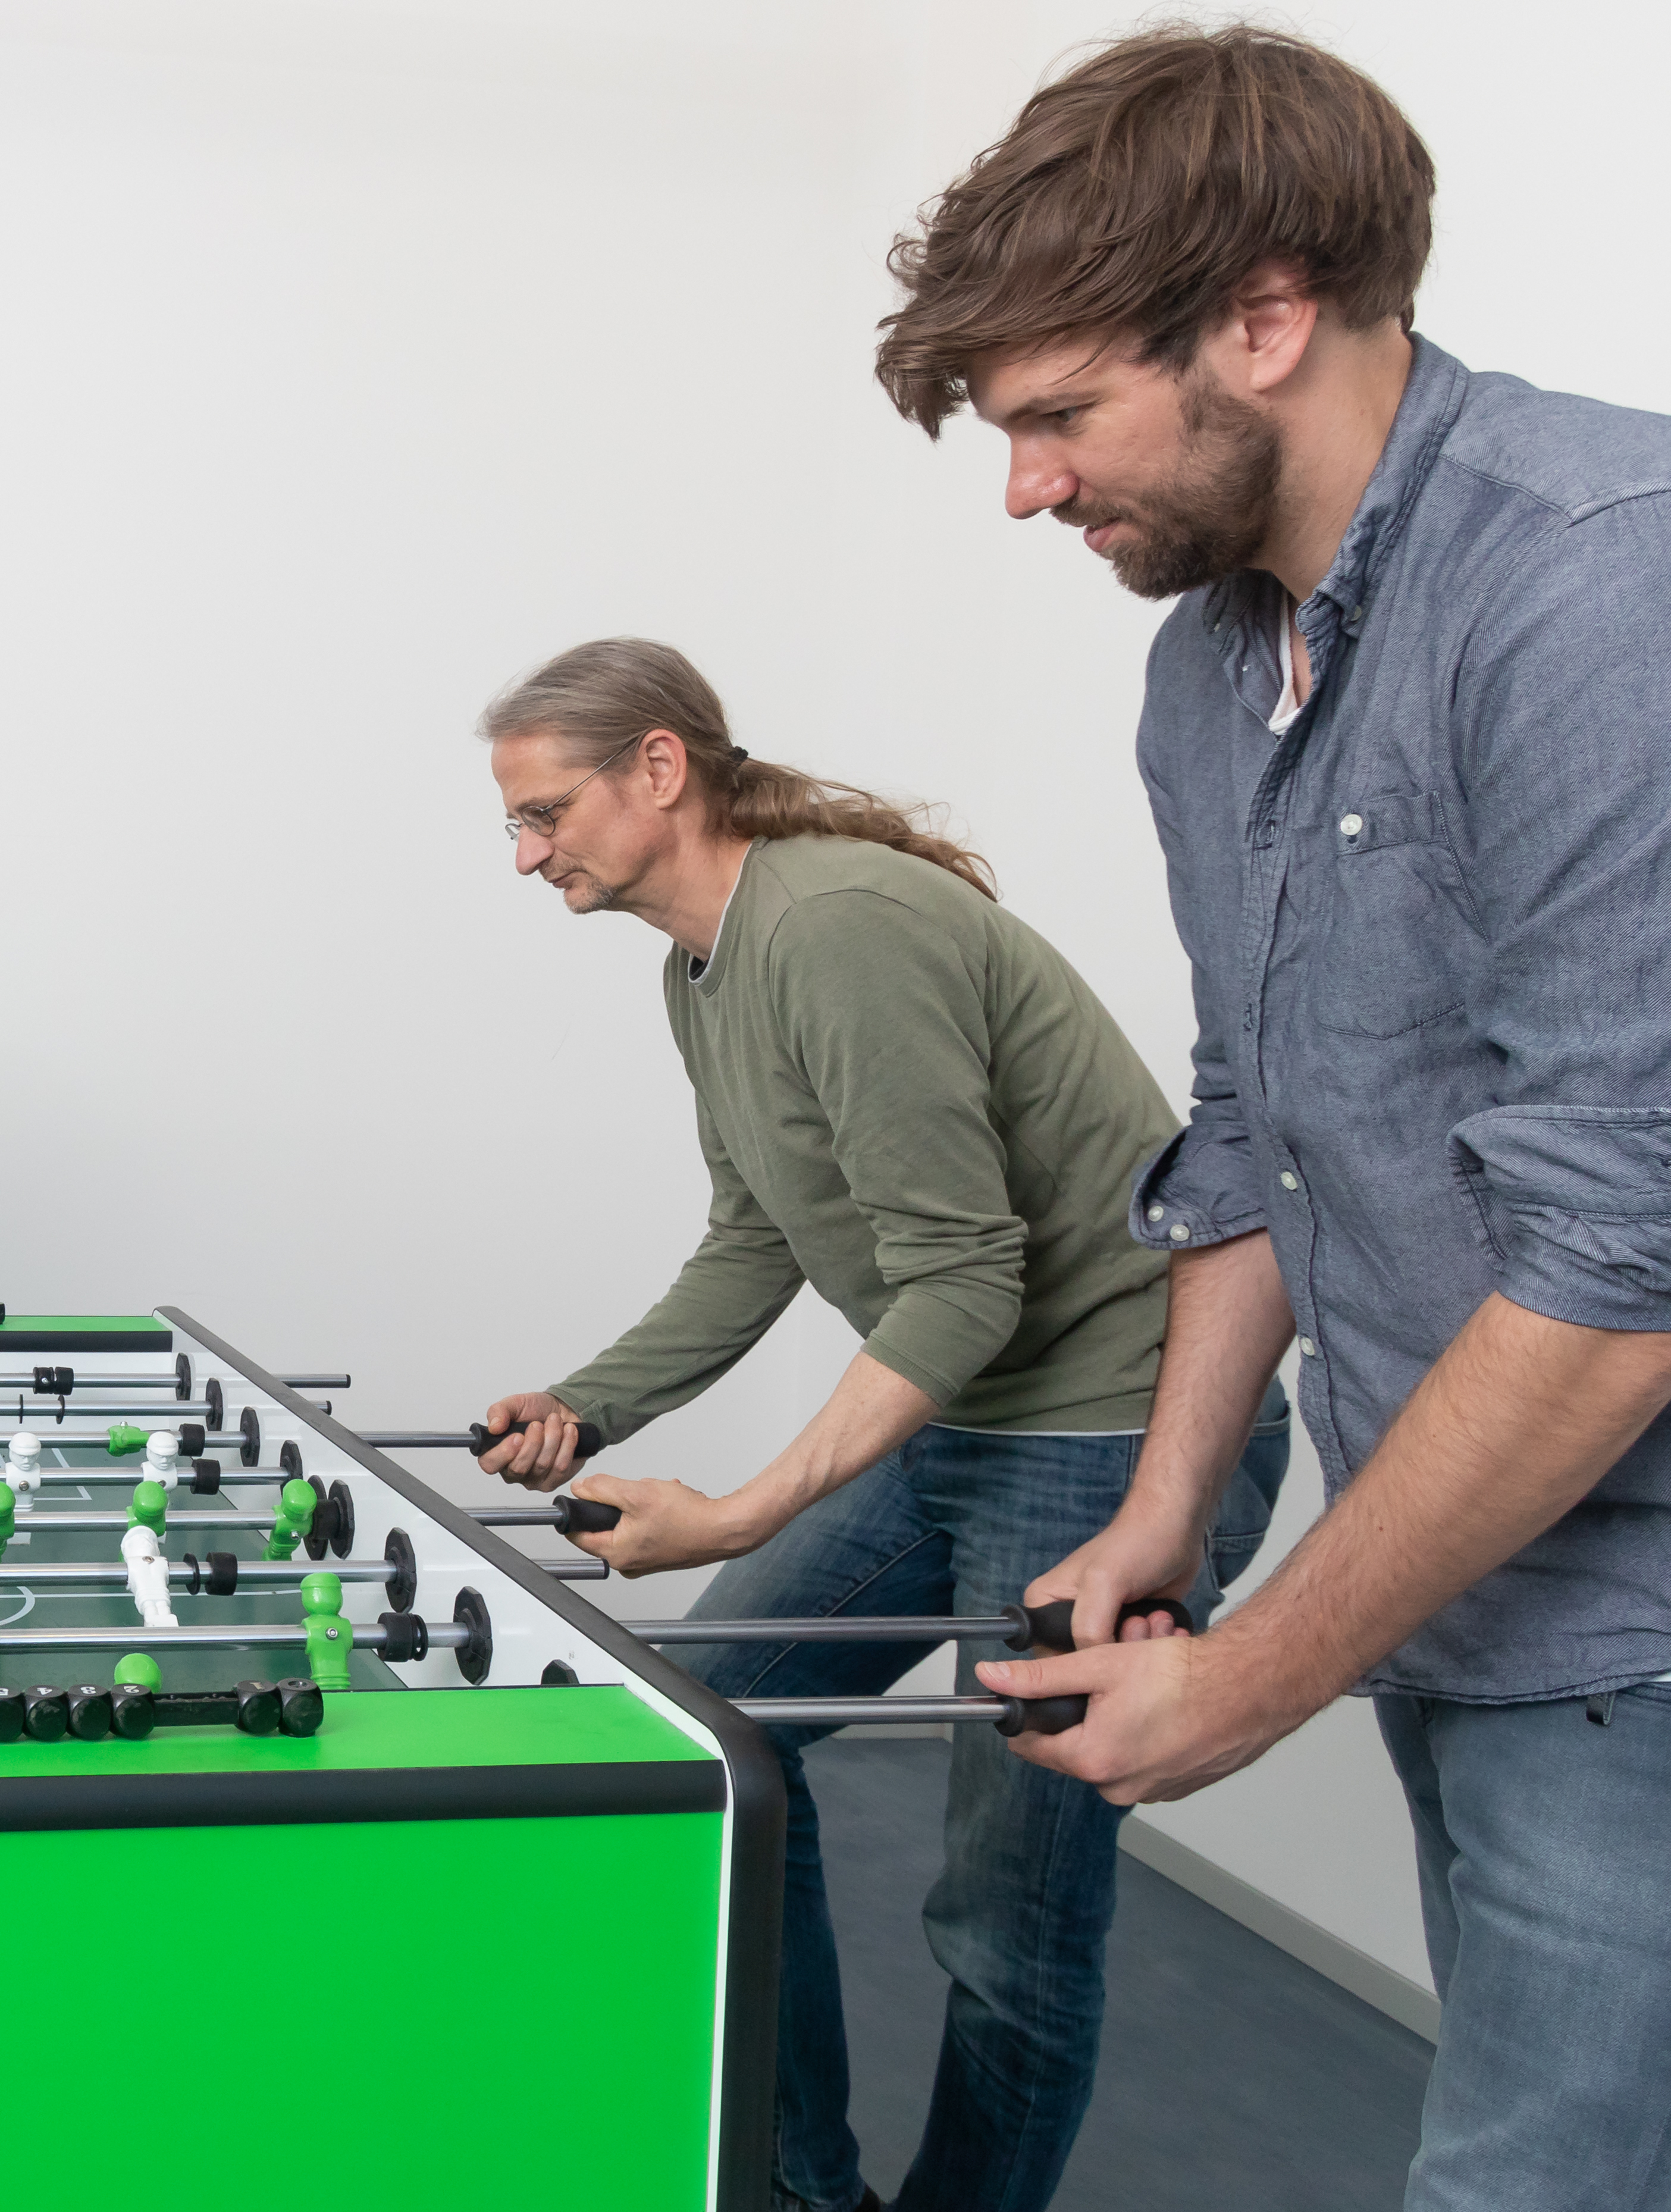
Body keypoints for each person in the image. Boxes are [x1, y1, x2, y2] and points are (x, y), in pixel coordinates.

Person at [876, 27, 1671, 2208]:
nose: (1025, 486)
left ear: (1261, 316)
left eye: (1055, 414)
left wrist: (1250, 1674)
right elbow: (1253, 1128)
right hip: (1461, 1574)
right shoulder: (1207, 665)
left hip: (1633, 1614)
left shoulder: (1601, 583)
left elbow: (1621, 1268)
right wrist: (1167, 1510)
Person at [469, 638, 1286, 2212]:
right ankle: (804, 2187)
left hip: (1110, 1431)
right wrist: (588, 1401)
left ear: (658, 767)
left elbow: (965, 1277)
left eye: (542, 812)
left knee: (1007, 1913)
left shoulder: (834, 924)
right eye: (513, 824)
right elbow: (754, 1234)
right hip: (970, 1408)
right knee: (711, 1738)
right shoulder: (698, 971)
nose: (525, 854)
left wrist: (742, 1508)